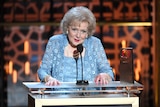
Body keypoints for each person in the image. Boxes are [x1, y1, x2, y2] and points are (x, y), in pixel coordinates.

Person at [37, 6, 114, 86]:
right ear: (67, 28)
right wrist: (49, 79)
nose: (78, 35)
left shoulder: (95, 43)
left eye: (83, 31)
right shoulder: (55, 42)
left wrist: (105, 75)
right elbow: (42, 71)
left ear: (87, 33)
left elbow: (108, 71)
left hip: (90, 96)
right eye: (74, 29)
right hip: (59, 97)